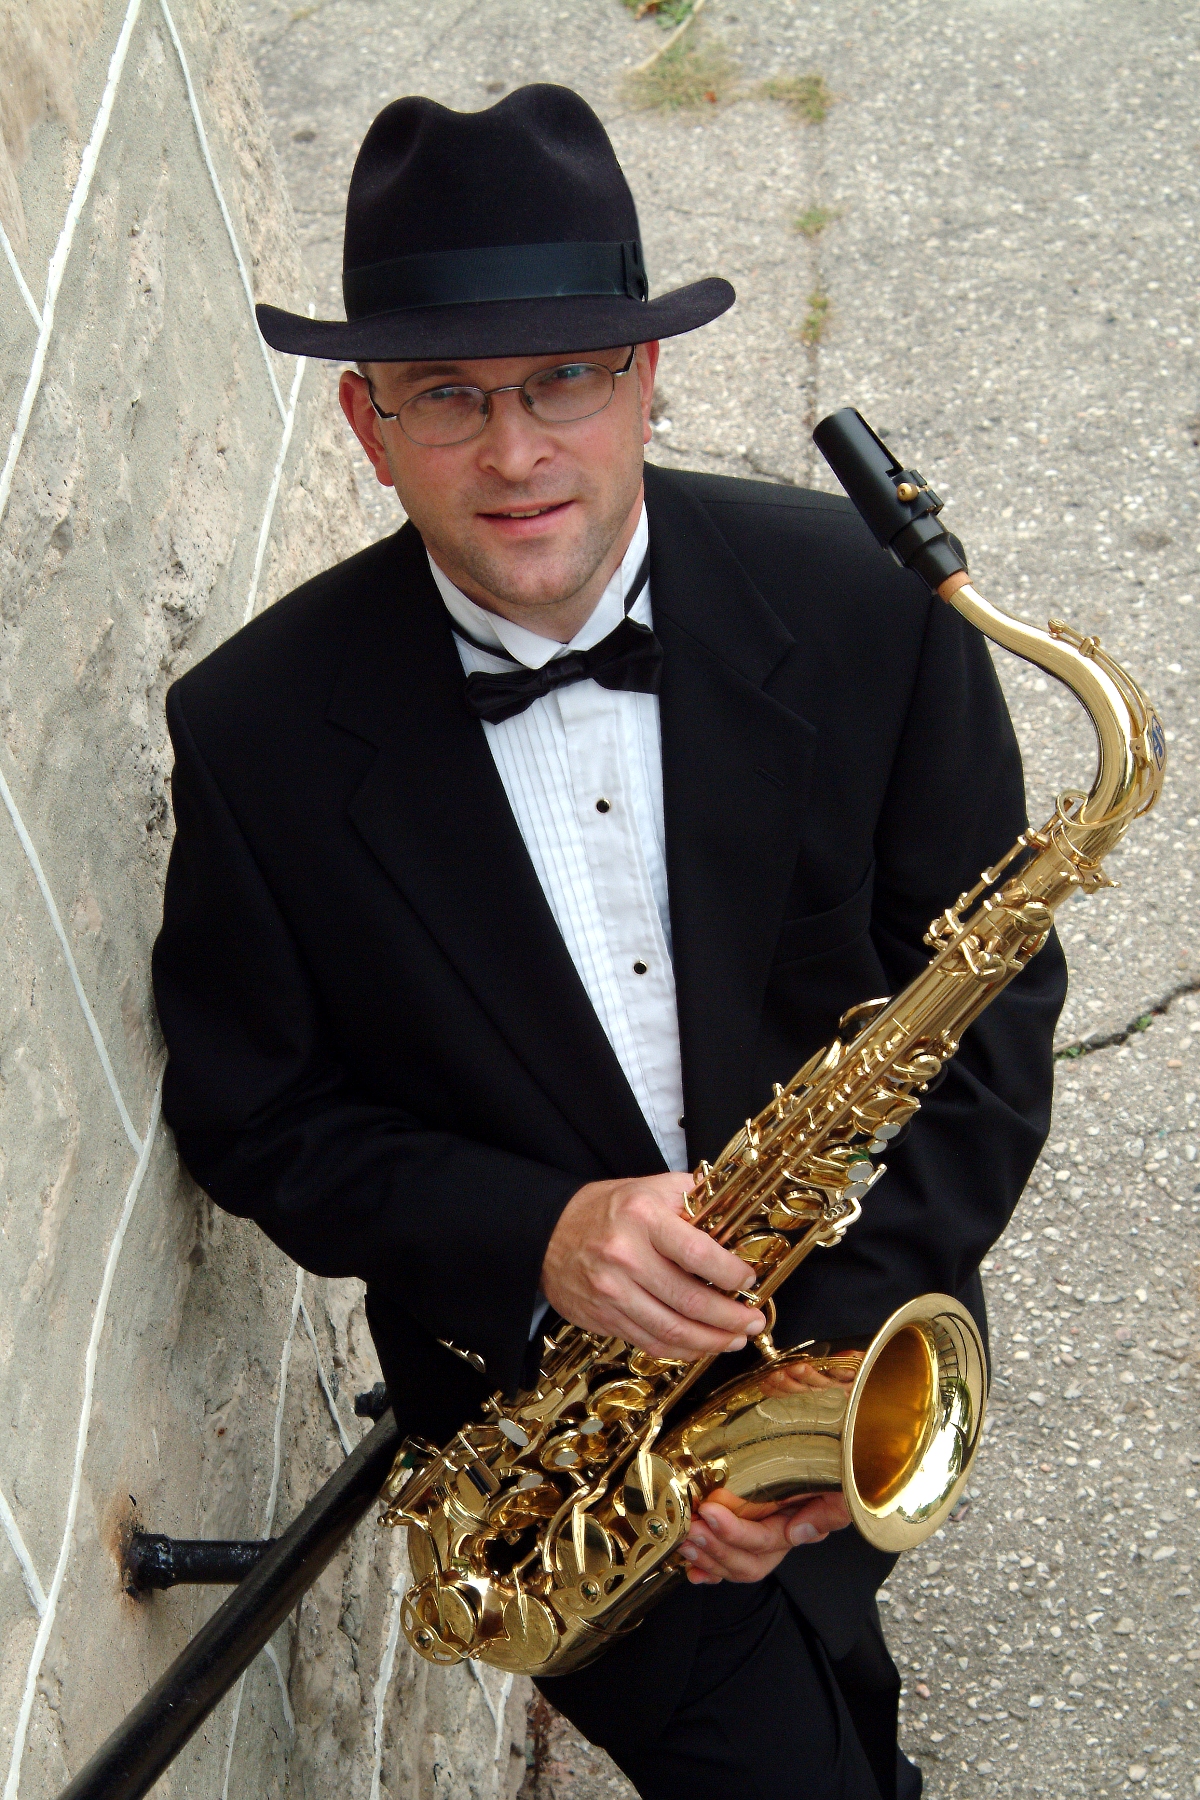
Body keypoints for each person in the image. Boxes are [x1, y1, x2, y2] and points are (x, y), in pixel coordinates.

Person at [152, 84, 1065, 1800]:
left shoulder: (870, 611)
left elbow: (989, 1017)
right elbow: (257, 1117)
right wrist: (540, 1233)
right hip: (542, 1441)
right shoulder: (259, 734)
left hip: (850, 1335)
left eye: (567, 380)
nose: (515, 454)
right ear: (366, 423)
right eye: (450, 398)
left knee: (830, 1666)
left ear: (649, 379)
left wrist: (827, 1376)